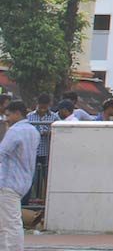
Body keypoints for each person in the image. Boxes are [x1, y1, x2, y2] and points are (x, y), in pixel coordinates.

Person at [0, 101, 38, 251]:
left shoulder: (15, 131)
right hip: (22, 182)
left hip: (8, 182)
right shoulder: (32, 131)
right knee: (6, 223)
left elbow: (2, 153)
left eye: (8, 115)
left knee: (11, 224)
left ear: (17, 113)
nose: (6, 119)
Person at [22, 94, 55, 206]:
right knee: (30, 179)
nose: (42, 109)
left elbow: (60, 130)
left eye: (45, 107)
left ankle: (48, 204)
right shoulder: (29, 116)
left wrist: (50, 133)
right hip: (33, 152)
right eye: (41, 106)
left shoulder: (54, 117)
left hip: (47, 153)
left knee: (48, 179)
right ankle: (25, 204)